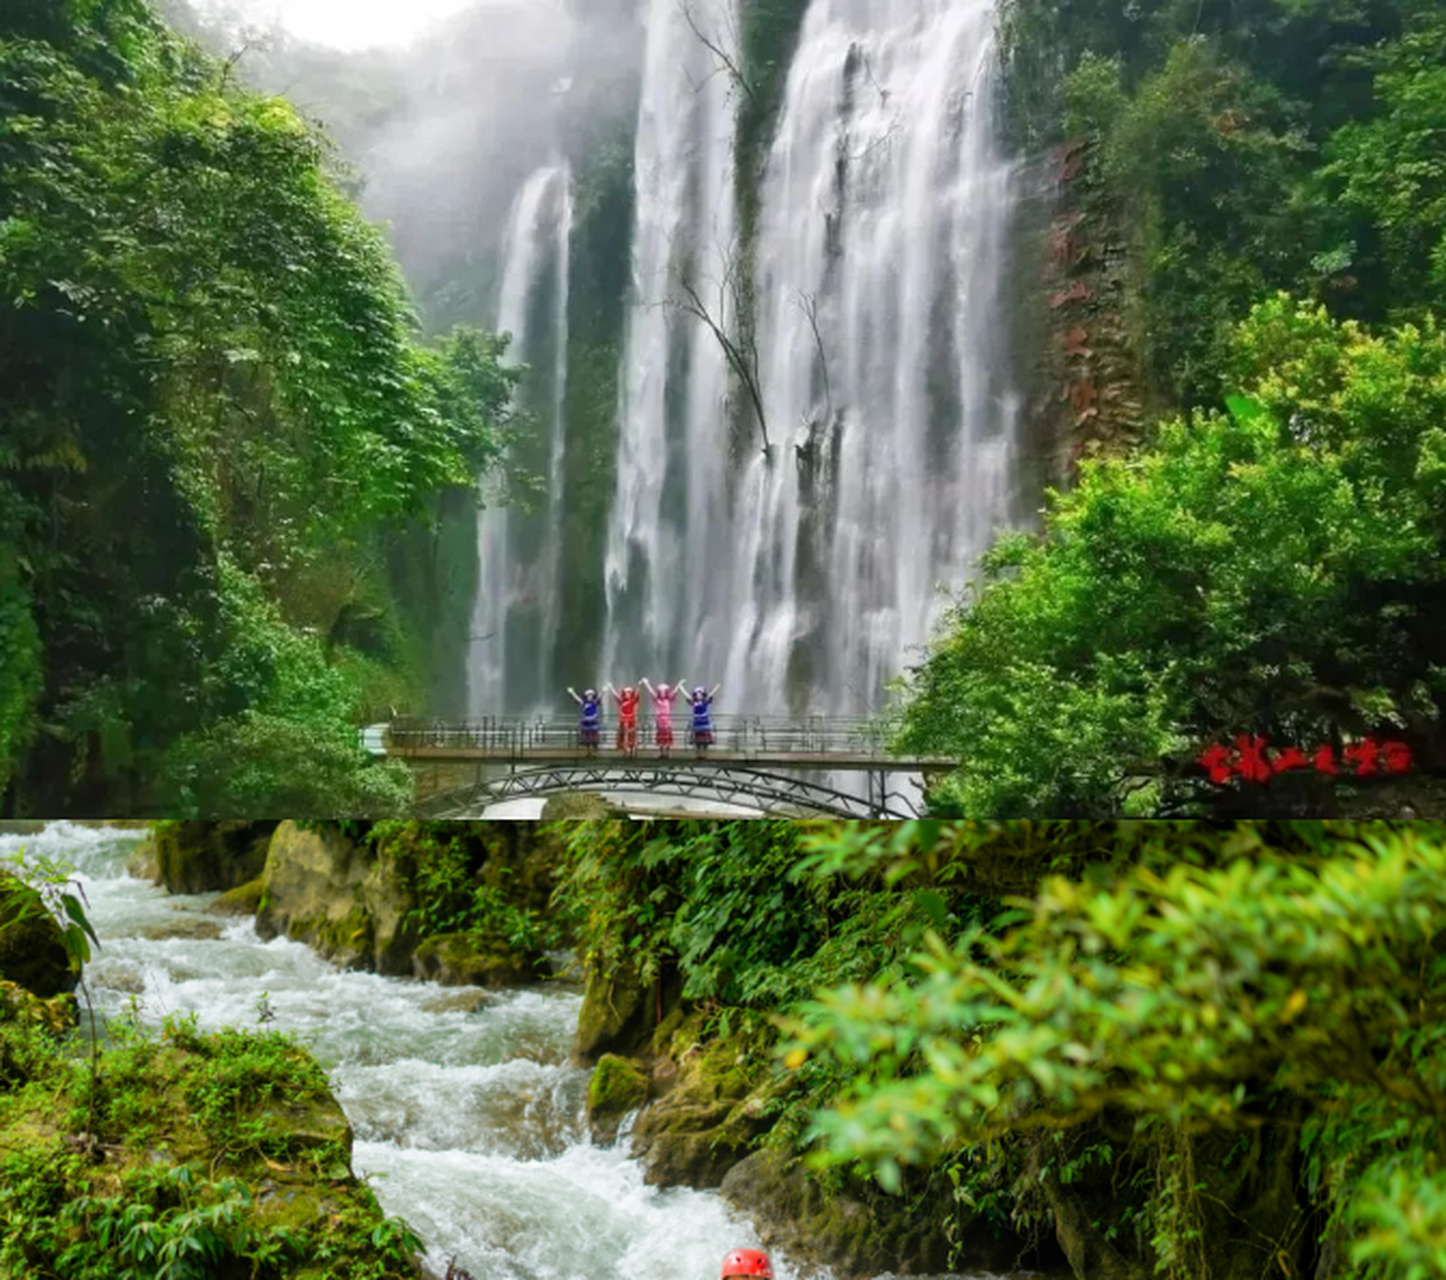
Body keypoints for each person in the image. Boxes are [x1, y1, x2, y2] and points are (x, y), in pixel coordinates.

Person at [641, 677, 685, 756]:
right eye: (661, 691)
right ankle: (661, 752)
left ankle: (667, 752)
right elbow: (651, 691)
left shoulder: (668, 699)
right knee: (660, 736)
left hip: (667, 721)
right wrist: (646, 683)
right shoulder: (657, 699)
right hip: (660, 721)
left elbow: (675, 691)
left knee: (667, 735)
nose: (662, 692)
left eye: (664, 691)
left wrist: (679, 684)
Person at [605, 682, 642, 754]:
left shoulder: (633, 700)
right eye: (626, 692)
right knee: (624, 735)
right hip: (624, 721)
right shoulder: (621, 701)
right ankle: (625, 751)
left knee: (632, 735)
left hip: (632, 720)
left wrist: (639, 685)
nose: (627, 694)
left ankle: (632, 750)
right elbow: (615, 695)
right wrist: (611, 688)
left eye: (629, 692)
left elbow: (637, 694)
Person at [565, 686, 603, 755]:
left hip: (593, 721)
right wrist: (572, 692)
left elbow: (599, 697)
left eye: (591, 695)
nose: (590, 696)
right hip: (586, 722)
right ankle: (588, 751)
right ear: (586, 696)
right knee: (587, 737)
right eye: (588, 695)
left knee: (594, 736)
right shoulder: (584, 702)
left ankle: (595, 749)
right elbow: (577, 698)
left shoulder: (594, 702)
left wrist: (603, 691)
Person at [689, 683, 720, 752]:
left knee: (705, 739)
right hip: (697, 722)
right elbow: (687, 697)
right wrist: (680, 686)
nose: (699, 696)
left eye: (700, 694)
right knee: (698, 739)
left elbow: (711, 695)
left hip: (704, 722)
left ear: (703, 695)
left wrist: (716, 687)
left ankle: (705, 752)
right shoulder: (694, 703)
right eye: (697, 695)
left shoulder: (705, 702)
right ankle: (698, 751)